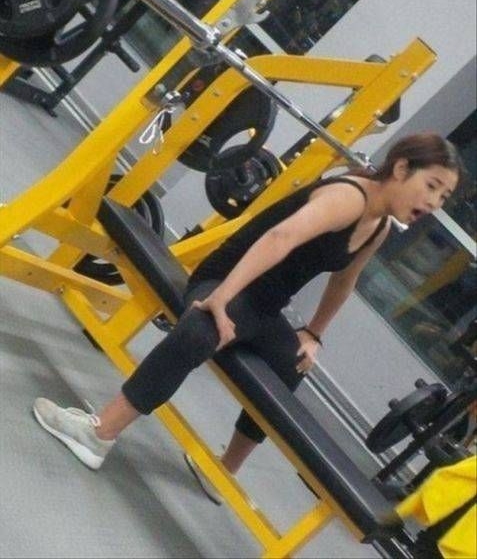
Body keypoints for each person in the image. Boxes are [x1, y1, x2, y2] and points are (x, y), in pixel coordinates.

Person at [32, 132, 462, 504]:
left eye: (443, 197)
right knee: (200, 331)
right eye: (432, 186)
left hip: (263, 308)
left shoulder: (379, 226)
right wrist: (220, 298)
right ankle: (99, 433)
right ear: (401, 168)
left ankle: (223, 470)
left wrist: (314, 334)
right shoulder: (348, 198)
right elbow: (280, 237)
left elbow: (343, 282)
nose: (434, 202)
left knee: (293, 364)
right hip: (225, 280)